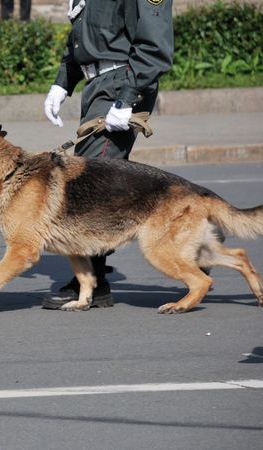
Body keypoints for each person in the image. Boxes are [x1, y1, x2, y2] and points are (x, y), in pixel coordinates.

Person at [41, 0, 174, 309]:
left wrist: (129, 96)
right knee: (94, 177)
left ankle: (93, 281)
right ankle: (202, 247)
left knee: (91, 182)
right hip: (97, 84)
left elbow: (154, 44)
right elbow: (83, 35)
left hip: (121, 84)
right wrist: (63, 81)